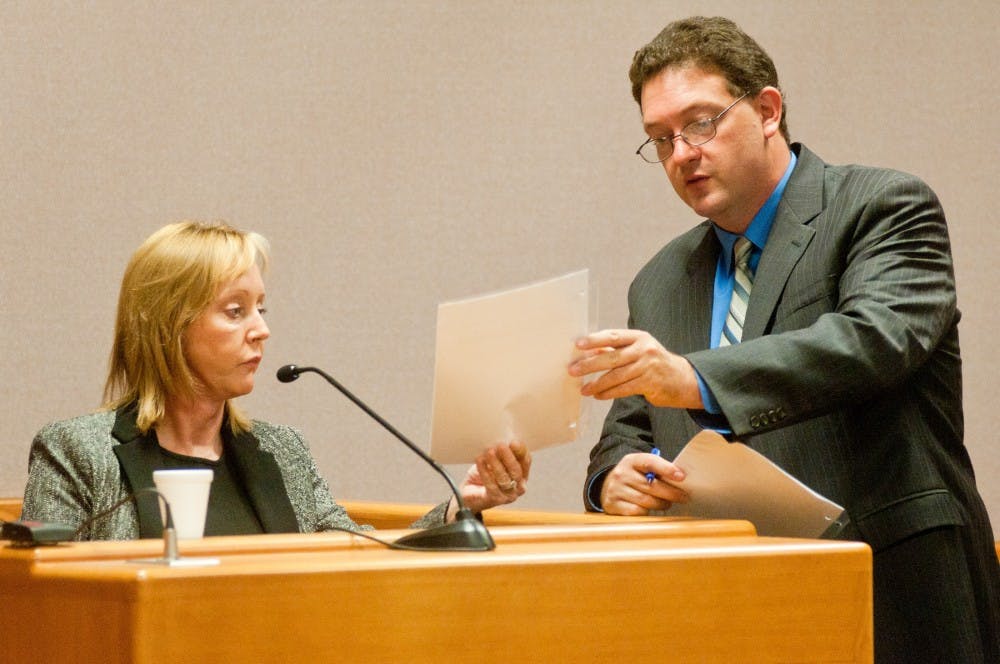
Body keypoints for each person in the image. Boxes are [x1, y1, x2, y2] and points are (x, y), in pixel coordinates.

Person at [567, 16, 999, 663]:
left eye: (700, 122)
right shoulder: (659, 282)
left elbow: (873, 341)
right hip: (734, 608)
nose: (682, 152)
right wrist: (611, 480)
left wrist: (692, 377)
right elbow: (631, 426)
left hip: (894, 595)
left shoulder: (882, 207)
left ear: (767, 109)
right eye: (660, 139)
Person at [21, 221, 531, 539]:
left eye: (261, 308)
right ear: (168, 325)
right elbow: (45, 600)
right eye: (235, 311)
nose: (262, 330)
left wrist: (462, 505)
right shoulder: (77, 453)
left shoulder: (280, 451)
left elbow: (361, 555)